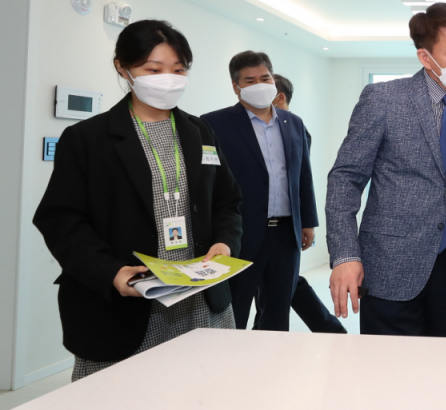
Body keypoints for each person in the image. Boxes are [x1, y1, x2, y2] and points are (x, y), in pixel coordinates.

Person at [33, 19, 243, 380]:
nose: (169, 79)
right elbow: (61, 219)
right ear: (122, 67)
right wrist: (111, 271)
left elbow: (227, 201)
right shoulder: (87, 138)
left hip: (200, 299)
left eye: (179, 69)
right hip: (125, 304)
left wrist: (225, 243)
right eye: (153, 69)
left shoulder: (200, 131)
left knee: (203, 390)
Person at [327, 2, 446, 337]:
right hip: (390, 266)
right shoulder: (384, 99)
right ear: (425, 57)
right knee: (388, 366)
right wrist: (345, 255)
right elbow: (346, 179)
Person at [201, 52, 318, 331]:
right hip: (241, 232)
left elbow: (303, 174)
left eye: (265, 78)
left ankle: (272, 357)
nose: (260, 85)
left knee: (277, 311)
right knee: (235, 309)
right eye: (250, 80)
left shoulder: (293, 123)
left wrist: (308, 222)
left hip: (285, 233)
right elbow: (208, 182)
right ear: (236, 86)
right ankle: (230, 358)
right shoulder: (213, 124)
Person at [251, 73, 346, 334]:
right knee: (281, 285)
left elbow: (301, 181)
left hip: (283, 225)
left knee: (284, 285)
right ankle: (328, 329)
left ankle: (329, 329)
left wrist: (307, 222)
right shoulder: (255, 128)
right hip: (259, 224)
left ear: (279, 97)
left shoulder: (295, 129)